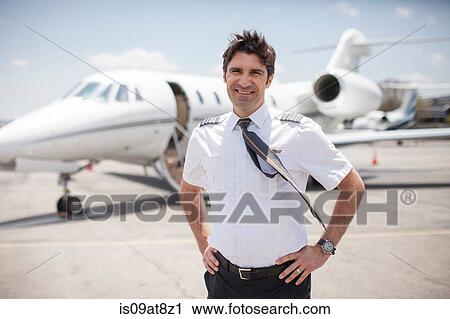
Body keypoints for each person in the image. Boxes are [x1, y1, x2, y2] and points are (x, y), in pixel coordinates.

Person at [180, 30, 365, 299]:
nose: (244, 81)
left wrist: (324, 249)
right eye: (236, 71)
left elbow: (353, 187)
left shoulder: (299, 131)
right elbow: (188, 192)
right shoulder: (205, 134)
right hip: (222, 281)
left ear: (269, 79)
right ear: (225, 76)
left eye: (255, 72)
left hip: (284, 282)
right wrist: (204, 242)